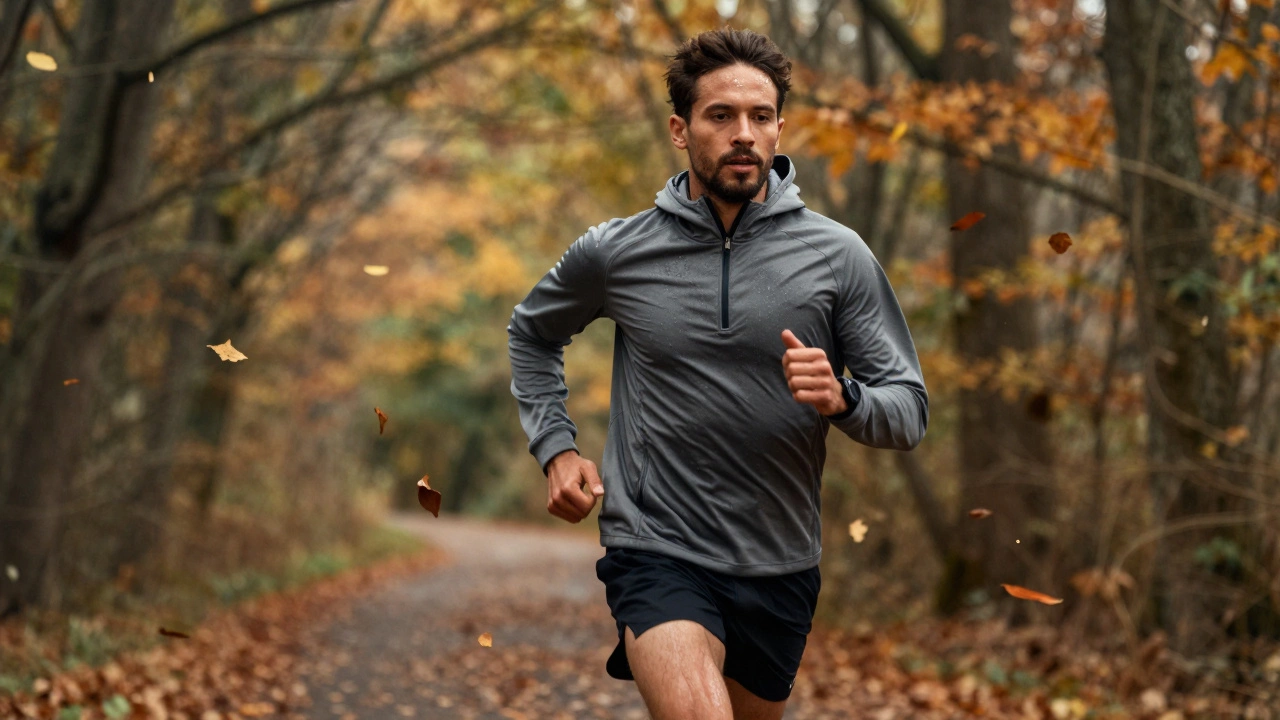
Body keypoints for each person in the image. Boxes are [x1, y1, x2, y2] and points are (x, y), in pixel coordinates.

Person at [507, 27, 928, 720]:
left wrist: (844, 397)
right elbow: (532, 331)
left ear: (780, 129)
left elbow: (908, 410)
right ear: (680, 129)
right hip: (656, 546)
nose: (743, 134)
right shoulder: (618, 252)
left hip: (780, 562)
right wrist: (556, 447)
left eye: (760, 117)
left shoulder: (838, 256)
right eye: (721, 115)